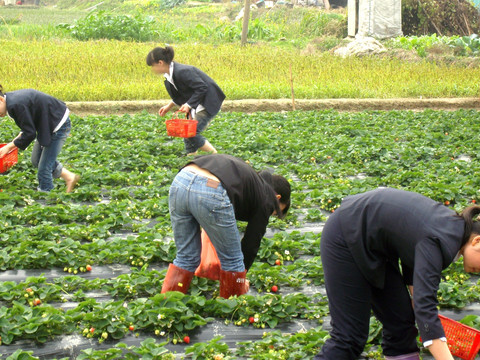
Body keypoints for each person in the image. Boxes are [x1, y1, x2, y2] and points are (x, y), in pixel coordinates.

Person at [315, 187, 480, 360]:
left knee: (401, 324)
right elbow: (425, 308)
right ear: (477, 241)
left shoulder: (450, 229)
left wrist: (422, 309)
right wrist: (426, 317)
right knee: (349, 338)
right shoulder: (440, 240)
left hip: (376, 246)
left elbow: (413, 258)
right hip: (346, 234)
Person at [161, 153, 291, 298]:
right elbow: (251, 243)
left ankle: (167, 305)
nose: (270, 214)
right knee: (233, 260)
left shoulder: (251, 182)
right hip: (211, 187)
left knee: (186, 256)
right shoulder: (267, 197)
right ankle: (230, 312)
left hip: (181, 180)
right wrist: (240, 278)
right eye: (275, 211)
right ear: (277, 198)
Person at [146, 46, 225, 156]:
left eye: (153, 66)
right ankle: (191, 158)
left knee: (191, 133)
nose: (152, 70)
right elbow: (183, 92)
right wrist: (169, 105)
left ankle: (216, 157)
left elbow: (202, 87)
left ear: (160, 62)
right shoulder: (169, 76)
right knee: (186, 131)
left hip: (208, 102)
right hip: (197, 103)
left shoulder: (182, 71)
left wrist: (188, 104)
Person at [0, 85, 79, 193]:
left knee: (44, 168)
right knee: (36, 160)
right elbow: (28, 127)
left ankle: (46, 196)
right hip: (46, 123)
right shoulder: (11, 101)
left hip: (58, 124)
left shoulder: (15, 104)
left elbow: (30, 133)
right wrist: (12, 144)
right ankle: (69, 177)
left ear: (0, 99)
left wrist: (9, 146)